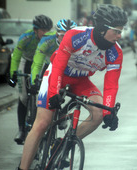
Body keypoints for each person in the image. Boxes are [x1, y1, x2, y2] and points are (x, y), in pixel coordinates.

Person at [18, 4, 128, 170]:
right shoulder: (76, 36)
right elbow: (58, 67)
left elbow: (111, 85)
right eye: (116, 31)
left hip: (81, 80)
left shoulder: (116, 53)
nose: (120, 36)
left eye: (121, 31)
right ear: (102, 29)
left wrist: (108, 111)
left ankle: (62, 145)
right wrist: (54, 92)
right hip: (58, 75)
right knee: (42, 123)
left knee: (98, 113)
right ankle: (23, 168)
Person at [8, 15, 53, 145]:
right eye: (43, 30)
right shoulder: (26, 37)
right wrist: (13, 74)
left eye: (48, 30)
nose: (46, 33)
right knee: (23, 97)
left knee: (44, 91)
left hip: (42, 62)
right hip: (25, 61)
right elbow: (16, 56)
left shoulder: (50, 38)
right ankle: (22, 130)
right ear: (35, 30)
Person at [31, 19, 77, 86]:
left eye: (70, 36)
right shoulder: (47, 39)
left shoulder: (78, 42)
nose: (66, 39)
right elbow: (37, 64)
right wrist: (34, 82)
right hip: (48, 63)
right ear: (57, 34)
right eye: (63, 35)